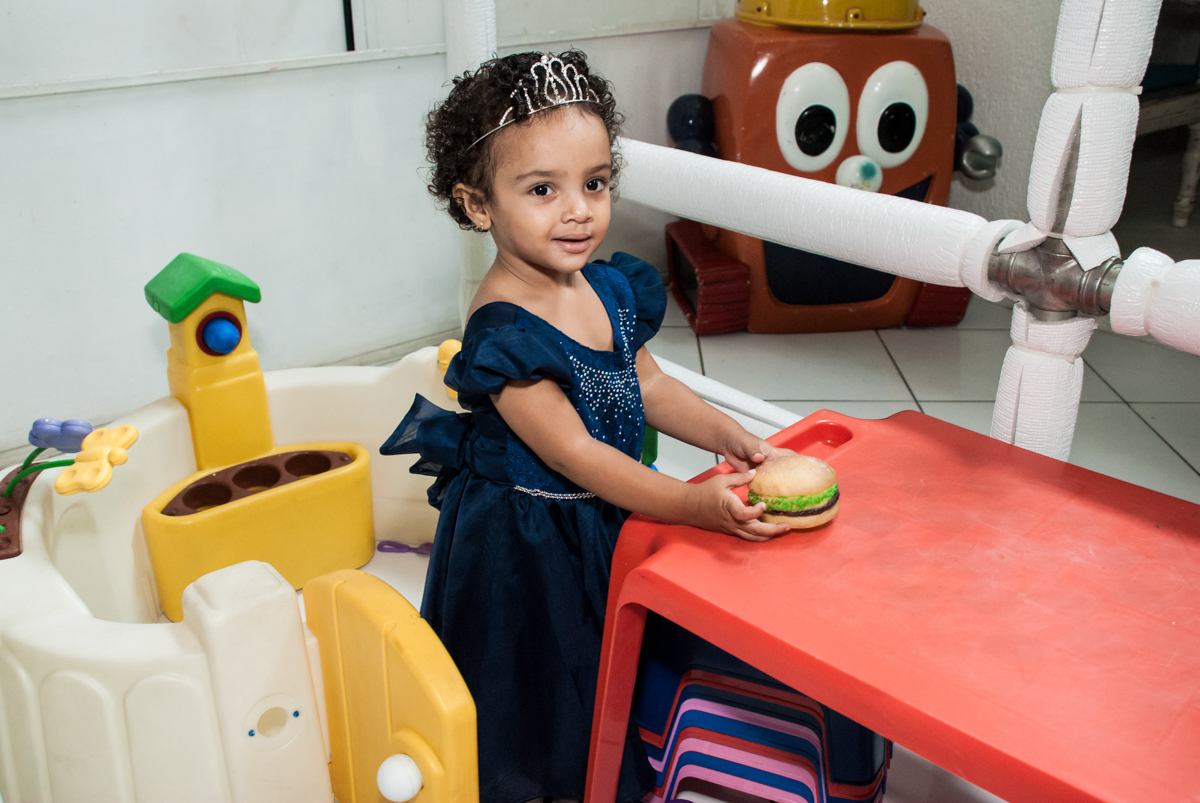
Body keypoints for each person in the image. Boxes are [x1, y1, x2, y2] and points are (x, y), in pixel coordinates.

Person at [382, 50, 792, 803]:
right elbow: (574, 452)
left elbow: (649, 384)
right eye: (543, 189)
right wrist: (690, 504)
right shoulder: (504, 328)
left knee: (613, 648)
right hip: (528, 540)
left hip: (599, 513)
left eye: (595, 183)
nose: (578, 210)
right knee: (544, 675)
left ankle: (628, 748)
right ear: (479, 205)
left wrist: (725, 434)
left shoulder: (605, 285)